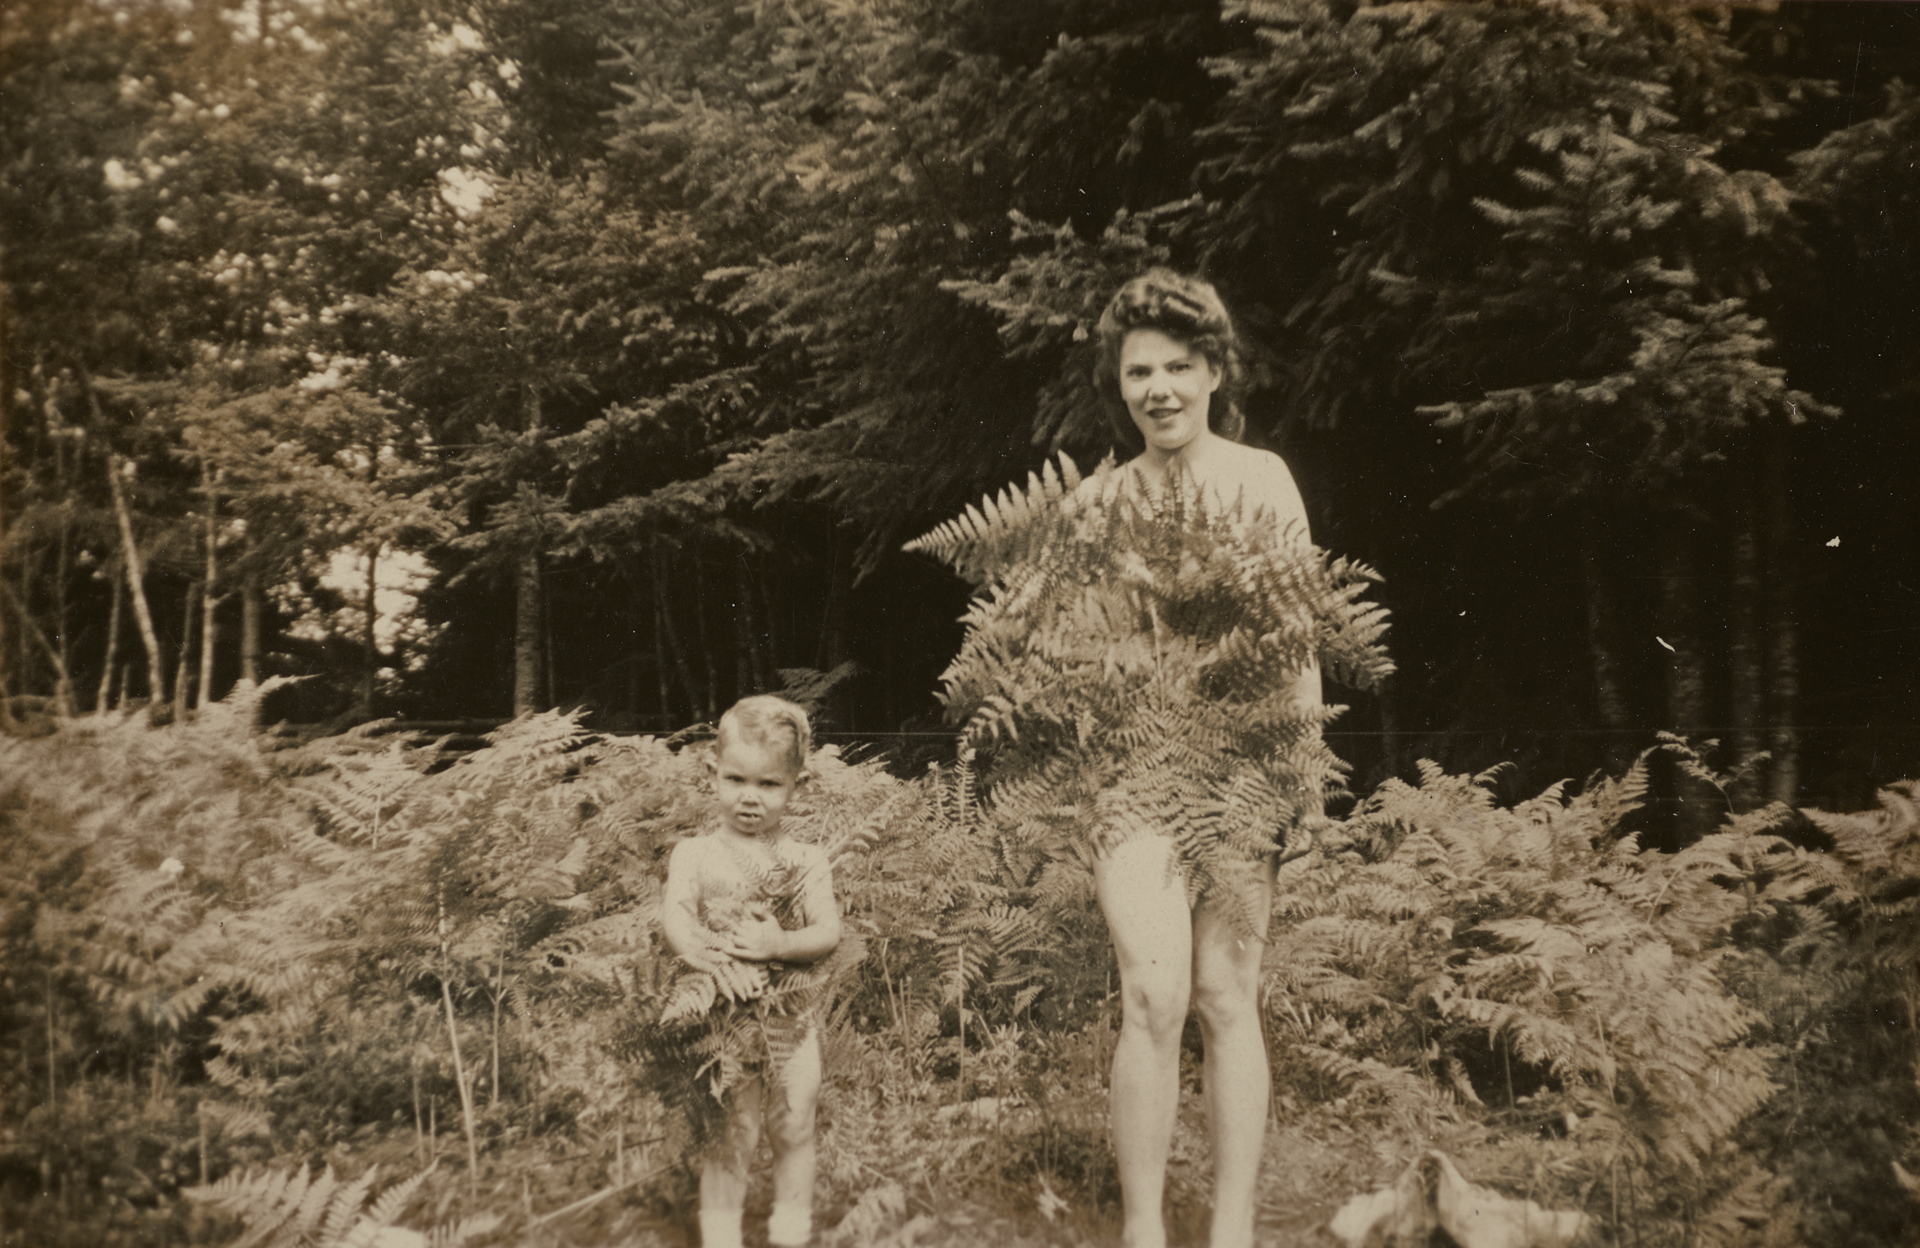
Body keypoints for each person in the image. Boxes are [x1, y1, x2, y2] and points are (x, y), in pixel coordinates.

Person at [1087, 268, 1323, 1248]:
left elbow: (1300, 642)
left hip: (1242, 773)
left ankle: (1231, 1233)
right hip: (1136, 774)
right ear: (1122, 384)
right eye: (1140, 371)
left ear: (1216, 370)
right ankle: (1143, 1233)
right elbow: (1075, 660)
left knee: (1227, 998)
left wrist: (1304, 794)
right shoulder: (1098, 502)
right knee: (1153, 994)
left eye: (1180, 366)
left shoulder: (1262, 480)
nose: (1160, 389)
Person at [661, 695, 842, 1248]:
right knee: (731, 1133)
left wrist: (779, 942)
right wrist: (714, 961)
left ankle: (791, 1229)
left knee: (794, 1120)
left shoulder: (806, 859)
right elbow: (676, 921)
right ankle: (721, 1237)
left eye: (768, 785)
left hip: (791, 1016)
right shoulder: (693, 853)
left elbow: (828, 932)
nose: (749, 797)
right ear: (711, 773)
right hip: (721, 1023)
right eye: (736, 779)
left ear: (798, 785)